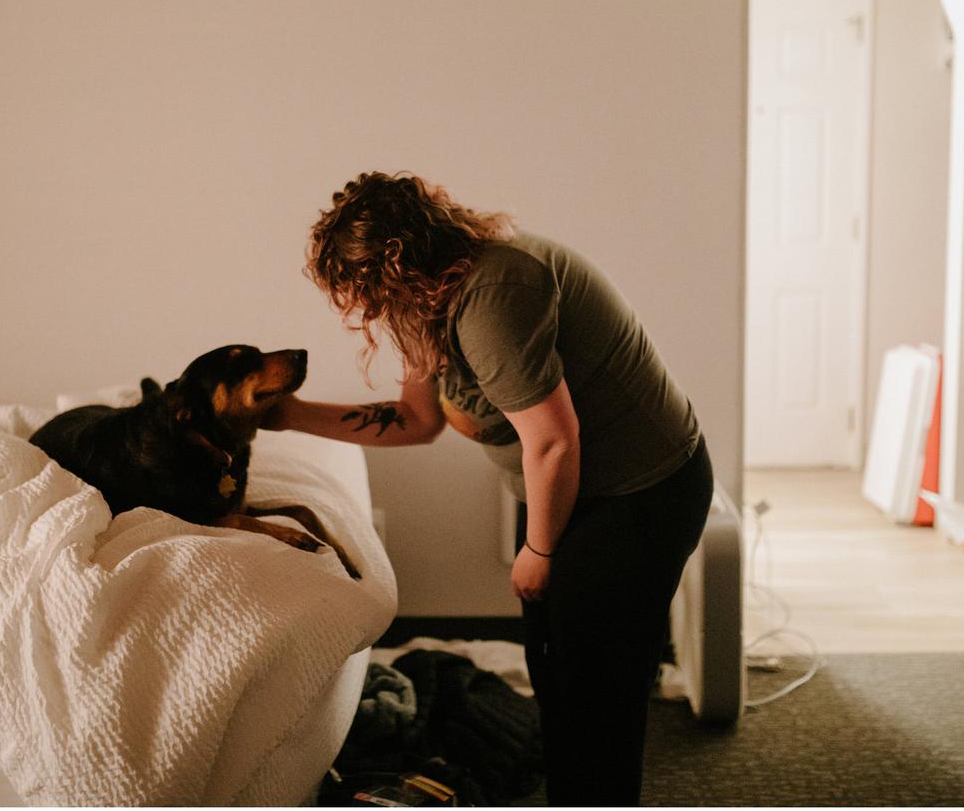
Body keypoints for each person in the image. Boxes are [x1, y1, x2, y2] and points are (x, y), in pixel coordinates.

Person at [263, 171, 714, 806]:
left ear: (396, 270)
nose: (359, 310)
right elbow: (417, 423)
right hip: (579, 497)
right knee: (556, 675)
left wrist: (540, 552)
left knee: (598, 693)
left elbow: (555, 441)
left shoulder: (495, 294)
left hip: (637, 494)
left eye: (362, 290)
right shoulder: (430, 305)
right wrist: (292, 414)